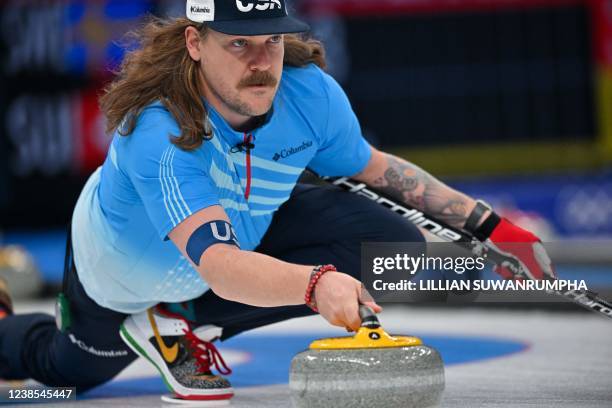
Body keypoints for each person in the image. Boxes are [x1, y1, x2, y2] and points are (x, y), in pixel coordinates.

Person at [0, 0, 555, 403]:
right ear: (195, 43)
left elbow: (379, 170)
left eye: (271, 40)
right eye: (238, 42)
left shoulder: (309, 93)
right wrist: (315, 284)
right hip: (120, 276)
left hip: (228, 250)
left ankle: (181, 322)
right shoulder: (159, 128)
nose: (262, 60)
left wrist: (492, 231)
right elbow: (219, 266)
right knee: (65, 371)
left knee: (395, 252)